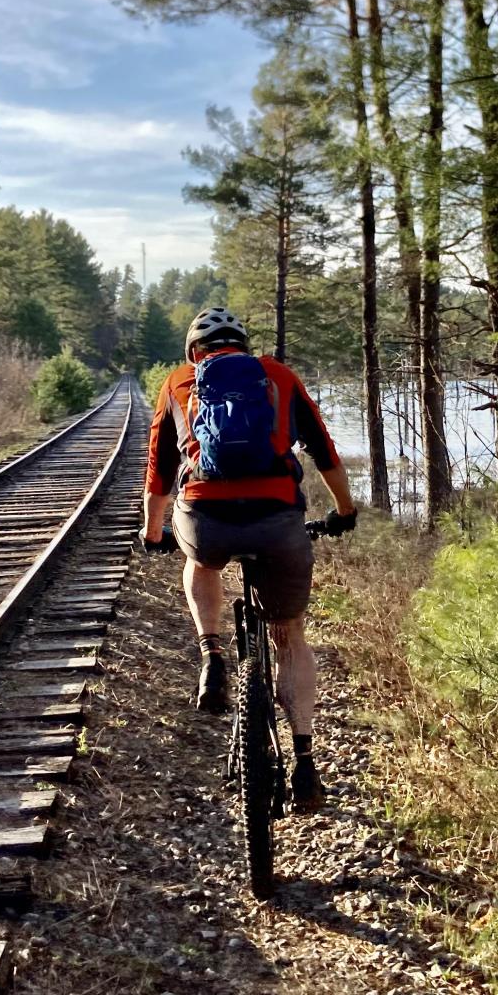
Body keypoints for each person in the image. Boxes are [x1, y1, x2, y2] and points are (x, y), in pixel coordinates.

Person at [141, 307, 359, 812]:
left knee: (200, 560)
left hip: (204, 515)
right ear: (242, 343)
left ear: (195, 351)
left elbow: (159, 468)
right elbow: (324, 451)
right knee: (290, 635)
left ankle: (212, 655)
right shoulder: (278, 375)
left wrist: (154, 533)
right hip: (277, 517)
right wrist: (344, 511)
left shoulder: (177, 382)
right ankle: (305, 759)